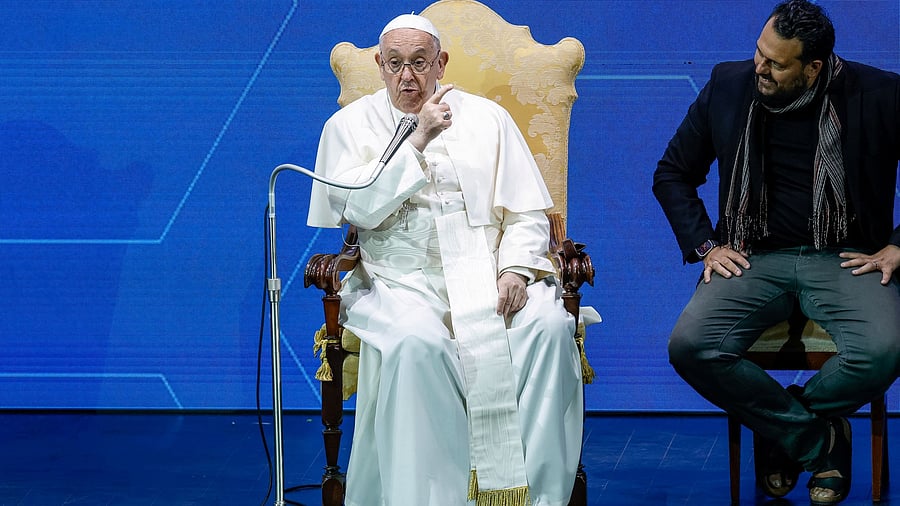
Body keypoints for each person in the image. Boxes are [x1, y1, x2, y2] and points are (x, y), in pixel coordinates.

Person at [307, 13, 584, 506]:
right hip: (401, 279)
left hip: (489, 270)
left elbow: (526, 212)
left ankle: (533, 498)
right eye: (395, 64)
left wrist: (516, 270)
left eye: (419, 63)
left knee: (547, 327)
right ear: (379, 64)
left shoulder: (487, 117)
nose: (407, 77)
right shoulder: (348, 126)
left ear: (442, 64)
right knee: (416, 345)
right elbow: (359, 210)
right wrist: (417, 138)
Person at [653, 1, 900, 504]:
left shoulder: (879, 94)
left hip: (845, 256)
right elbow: (672, 173)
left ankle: (780, 432)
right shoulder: (729, 85)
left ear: (813, 67)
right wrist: (706, 245)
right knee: (690, 346)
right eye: (759, 53)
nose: (759, 68)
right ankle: (815, 439)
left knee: (884, 351)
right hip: (752, 255)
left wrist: (898, 245)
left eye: (776, 63)